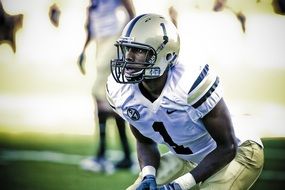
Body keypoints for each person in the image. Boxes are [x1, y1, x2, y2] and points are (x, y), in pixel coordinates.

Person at [106, 14, 264, 189]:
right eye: (127, 48)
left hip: (239, 150)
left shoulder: (189, 83)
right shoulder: (121, 91)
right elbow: (144, 140)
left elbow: (228, 146)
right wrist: (148, 176)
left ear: (164, 55)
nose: (128, 56)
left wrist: (180, 185)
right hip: (186, 156)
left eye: (139, 50)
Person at [78, 0, 135, 173]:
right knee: (111, 101)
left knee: (100, 94)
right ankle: (126, 155)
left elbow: (132, 14)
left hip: (114, 42)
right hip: (101, 44)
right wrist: (83, 50)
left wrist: (126, 45)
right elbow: (91, 24)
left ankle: (103, 155)